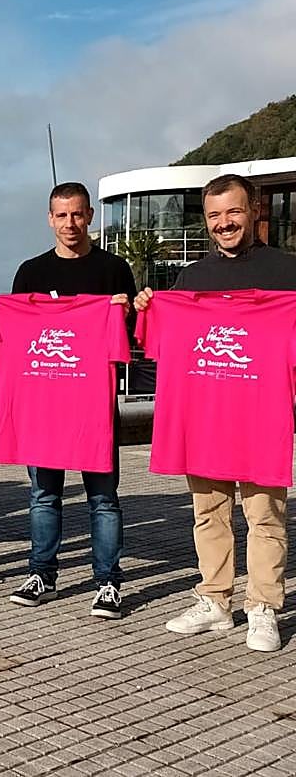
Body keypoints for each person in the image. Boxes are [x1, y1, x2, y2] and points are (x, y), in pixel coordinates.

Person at [135, 173, 296, 652]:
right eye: (214, 215)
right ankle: (216, 600)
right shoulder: (191, 281)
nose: (224, 223)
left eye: (233, 212)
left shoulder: (288, 275)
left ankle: (263, 606)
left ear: (254, 212)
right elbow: (155, 344)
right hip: (205, 420)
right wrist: (149, 305)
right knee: (209, 512)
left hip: (262, 418)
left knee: (265, 515)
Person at [5, 181, 134, 619]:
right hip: (44, 407)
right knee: (43, 495)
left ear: (90, 216)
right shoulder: (30, 273)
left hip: (93, 409)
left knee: (104, 498)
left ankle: (108, 582)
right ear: (49, 219)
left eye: (77, 214)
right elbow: (13, 336)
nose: (70, 223)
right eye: (61, 215)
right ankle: (41, 573)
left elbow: (128, 340)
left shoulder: (114, 269)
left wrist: (125, 311)